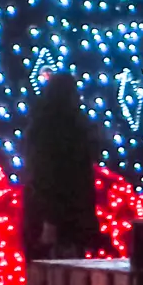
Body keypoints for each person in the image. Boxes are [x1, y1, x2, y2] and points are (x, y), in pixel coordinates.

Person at [20, 73, 103, 261]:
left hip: (57, 213)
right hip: (60, 214)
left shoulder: (44, 125)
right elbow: (49, 174)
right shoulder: (63, 128)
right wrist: (51, 218)